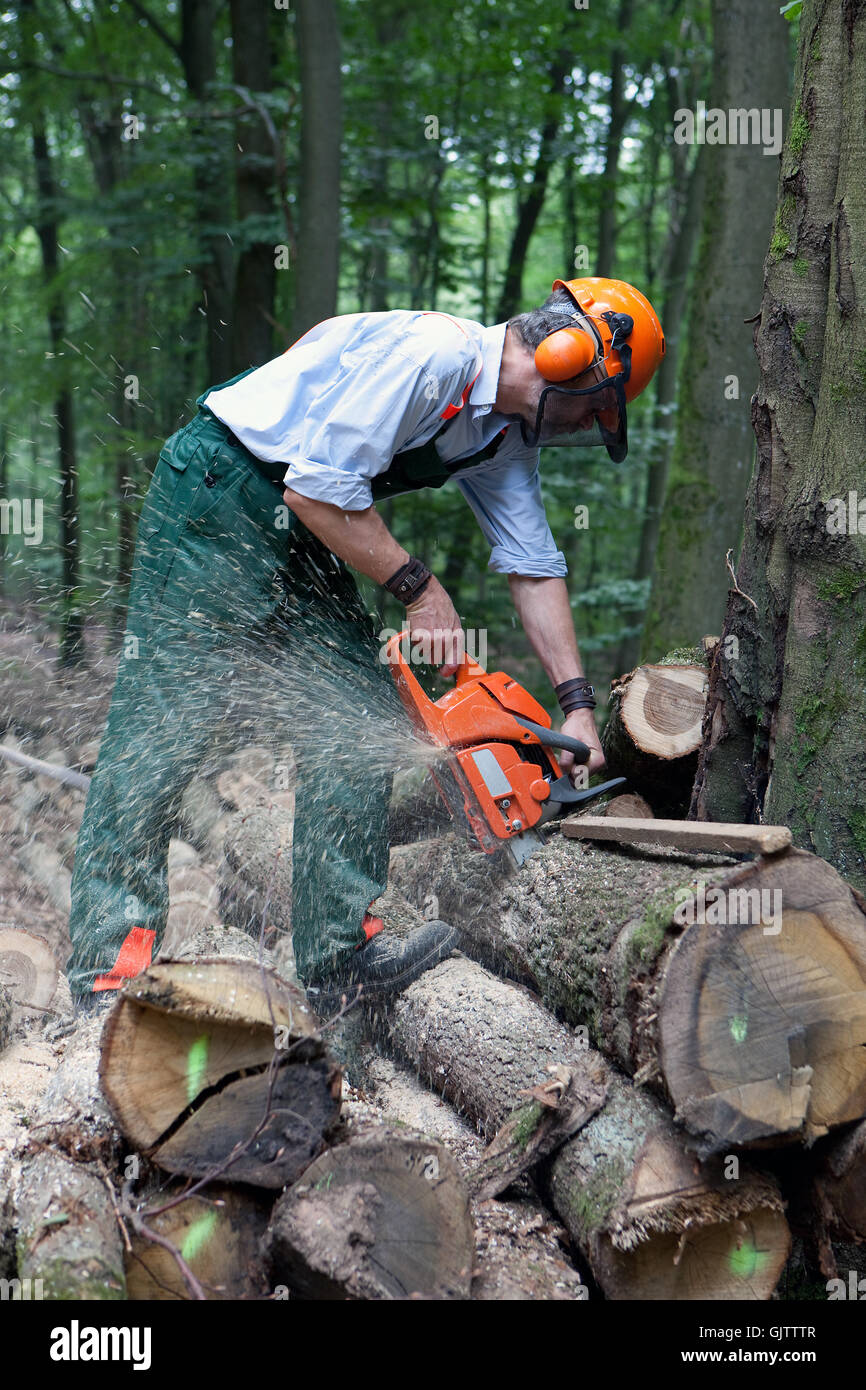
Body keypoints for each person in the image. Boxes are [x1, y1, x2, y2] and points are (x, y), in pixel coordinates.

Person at [66, 276, 664, 1014]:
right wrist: (419, 587)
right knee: (169, 722)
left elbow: (532, 566)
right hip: (223, 487)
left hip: (309, 517)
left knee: (360, 712)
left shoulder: (502, 434)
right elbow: (315, 488)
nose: (581, 427)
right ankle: (107, 967)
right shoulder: (433, 356)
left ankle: (340, 954)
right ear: (569, 356)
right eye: (592, 409)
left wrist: (574, 707)